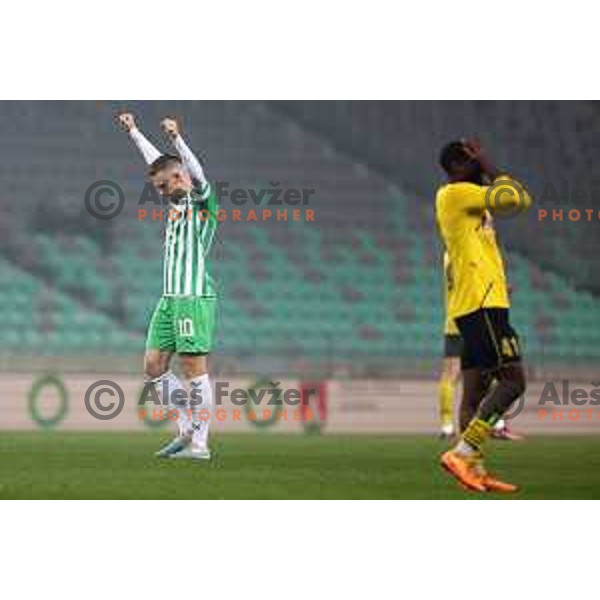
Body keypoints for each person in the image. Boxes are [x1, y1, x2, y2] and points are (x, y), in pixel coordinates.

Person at [118, 112, 218, 460]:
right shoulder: (174, 202)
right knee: (153, 366)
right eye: (158, 187)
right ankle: (185, 424)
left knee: (193, 369)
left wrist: (177, 138)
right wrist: (134, 133)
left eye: (168, 183)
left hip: (192, 297)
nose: (163, 190)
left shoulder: (202, 203)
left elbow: (197, 172)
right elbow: (157, 163)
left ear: (182, 177)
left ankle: (201, 444)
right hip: (169, 298)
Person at [435, 139, 532, 492]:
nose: (481, 164)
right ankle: (462, 452)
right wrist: (490, 164)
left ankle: (472, 470)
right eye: (473, 158)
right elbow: (518, 199)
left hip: (480, 302)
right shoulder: (457, 192)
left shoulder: (468, 200)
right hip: (481, 304)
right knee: (513, 381)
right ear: (460, 166)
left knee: (474, 392)